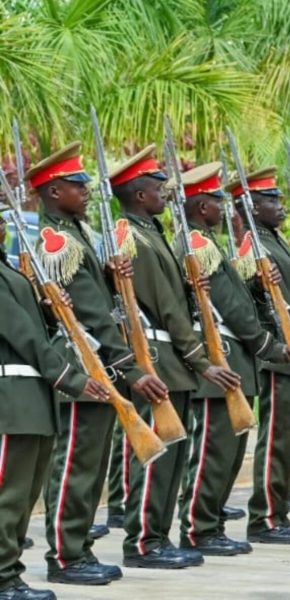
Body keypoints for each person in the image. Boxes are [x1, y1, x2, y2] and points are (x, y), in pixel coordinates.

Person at [31, 143, 166, 585]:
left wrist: (113, 277)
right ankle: (66, 556)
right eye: (76, 184)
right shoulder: (59, 240)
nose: (86, 191)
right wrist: (129, 366)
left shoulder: (77, 233)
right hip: (82, 360)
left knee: (89, 466)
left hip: (97, 364)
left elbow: (100, 299)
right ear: (53, 192)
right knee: (75, 464)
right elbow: (89, 313)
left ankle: (78, 549)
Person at [115, 145, 243, 569]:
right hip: (158, 354)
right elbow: (165, 306)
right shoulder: (132, 236)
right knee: (156, 458)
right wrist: (200, 358)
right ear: (138, 195)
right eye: (157, 187)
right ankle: (143, 543)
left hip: (171, 357)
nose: (167, 194)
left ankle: (159, 536)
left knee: (172, 456)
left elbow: (177, 299)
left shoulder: (152, 234)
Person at [177, 162, 290, 557]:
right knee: (213, 448)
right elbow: (228, 303)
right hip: (219, 354)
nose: (223, 210)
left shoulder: (207, 242)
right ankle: (198, 526)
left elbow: (236, 296)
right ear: (201, 205)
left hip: (231, 355)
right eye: (215, 201)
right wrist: (264, 343)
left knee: (228, 449)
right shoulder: (198, 244)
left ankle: (210, 523)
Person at [1, 212, 111, 600]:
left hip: (31, 396)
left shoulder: (7, 269)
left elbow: (35, 327)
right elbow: (22, 334)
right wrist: (71, 378)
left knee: (24, 495)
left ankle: (9, 576)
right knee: (8, 496)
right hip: (11, 395)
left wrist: (49, 308)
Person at [244, 168, 290, 545]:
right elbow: (250, 303)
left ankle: (279, 508)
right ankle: (266, 517)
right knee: (276, 441)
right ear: (252, 207)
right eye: (270, 200)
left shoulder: (276, 241)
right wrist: (257, 287)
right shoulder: (251, 246)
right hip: (278, 356)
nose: (280, 206)